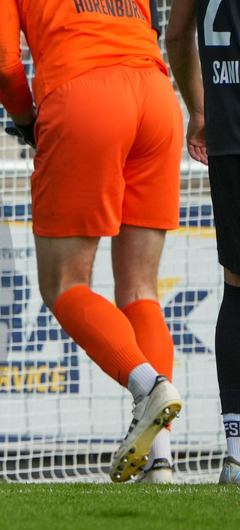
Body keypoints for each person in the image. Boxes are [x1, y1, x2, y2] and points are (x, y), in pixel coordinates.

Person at [0, 0, 184, 482]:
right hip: (156, 97)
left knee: (64, 285)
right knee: (140, 290)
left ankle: (147, 387)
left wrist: (27, 121)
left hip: (84, 96)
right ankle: (159, 459)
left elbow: (4, 63)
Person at [166, 0, 240, 484]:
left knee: (236, 288)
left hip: (228, 137)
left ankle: (236, 453)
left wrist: (199, 109)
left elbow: (175, 35)